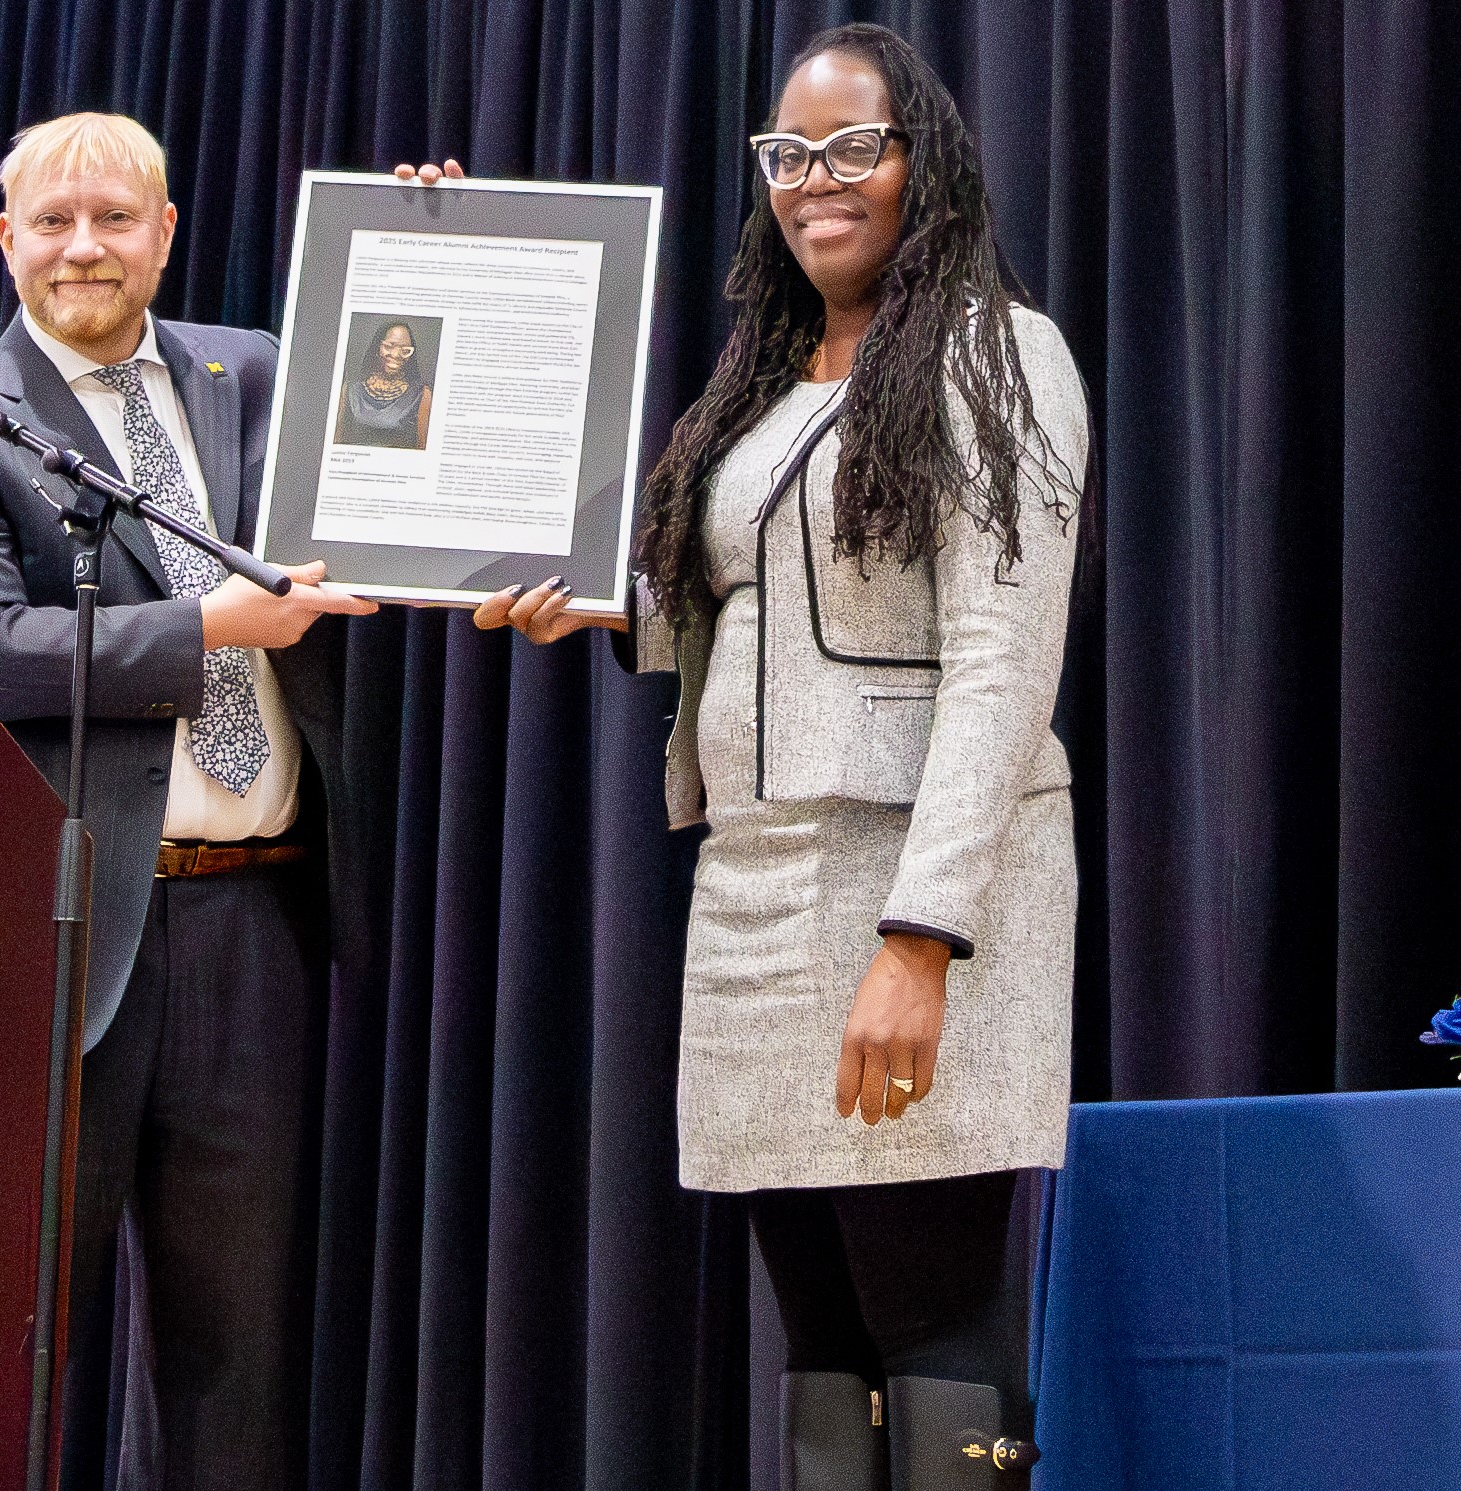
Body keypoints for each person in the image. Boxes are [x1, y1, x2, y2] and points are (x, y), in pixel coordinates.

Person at [479, 24, 1086, 1490]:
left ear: (920, 162)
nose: (816, 181)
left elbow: (1004, 664)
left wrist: (922, 935)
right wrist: (609, 611)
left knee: (937, 1329)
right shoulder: (760, 380)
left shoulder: (998, 352)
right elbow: (742, 625)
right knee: (820, 1342)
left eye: (851, 147)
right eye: (787, 155)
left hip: (916, 887)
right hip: (752, 888)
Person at [0, 112, 455, 1490]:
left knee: (233, 1351)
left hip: (255, 926)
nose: (84, 246)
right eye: (53, 221)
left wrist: (429, 250)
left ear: (166, 233)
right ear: (5, 241)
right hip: (63, 935)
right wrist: (213, 626)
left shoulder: (252, 375)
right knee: (20, 1341)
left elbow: (416, 414)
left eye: (115, 218)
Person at [334, 319, 433, 447]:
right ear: (377, 347)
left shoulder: (421, 396)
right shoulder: (350, 391)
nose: (396, 354)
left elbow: (423, 449)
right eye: (389, 347)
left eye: (405, 350)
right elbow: (337, 441)